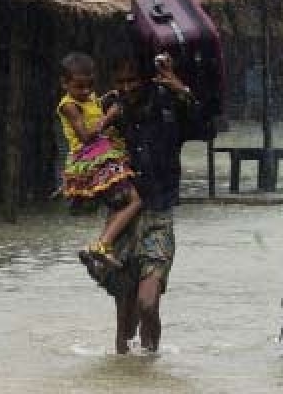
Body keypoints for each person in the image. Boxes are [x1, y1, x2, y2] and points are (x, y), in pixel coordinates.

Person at [107, 53, 202, 354]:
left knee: (148, 303)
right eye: (120, 81)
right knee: (124, 320)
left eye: (132, 80)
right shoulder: (111, 109)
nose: (126, 87)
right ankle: (126, 377)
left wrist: (180, 87)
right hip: (121, 217)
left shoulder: (169, 104)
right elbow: (85, 143)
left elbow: (203, 126)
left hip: (159, 215)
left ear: (146, 79)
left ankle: (152, 362)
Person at [57, 52, 142, 272]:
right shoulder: (69, 105)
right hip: (93, 158)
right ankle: (102, 244)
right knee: (135, 200)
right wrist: (108, 118)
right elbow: (85, 135)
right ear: (64, 83)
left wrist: (106, 100)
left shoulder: (89, 99)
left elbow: (95, 107)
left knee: (120, 202)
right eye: (79, 87)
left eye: (89, 86)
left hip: (103, 153)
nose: (85, 91)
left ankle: (102, 247)